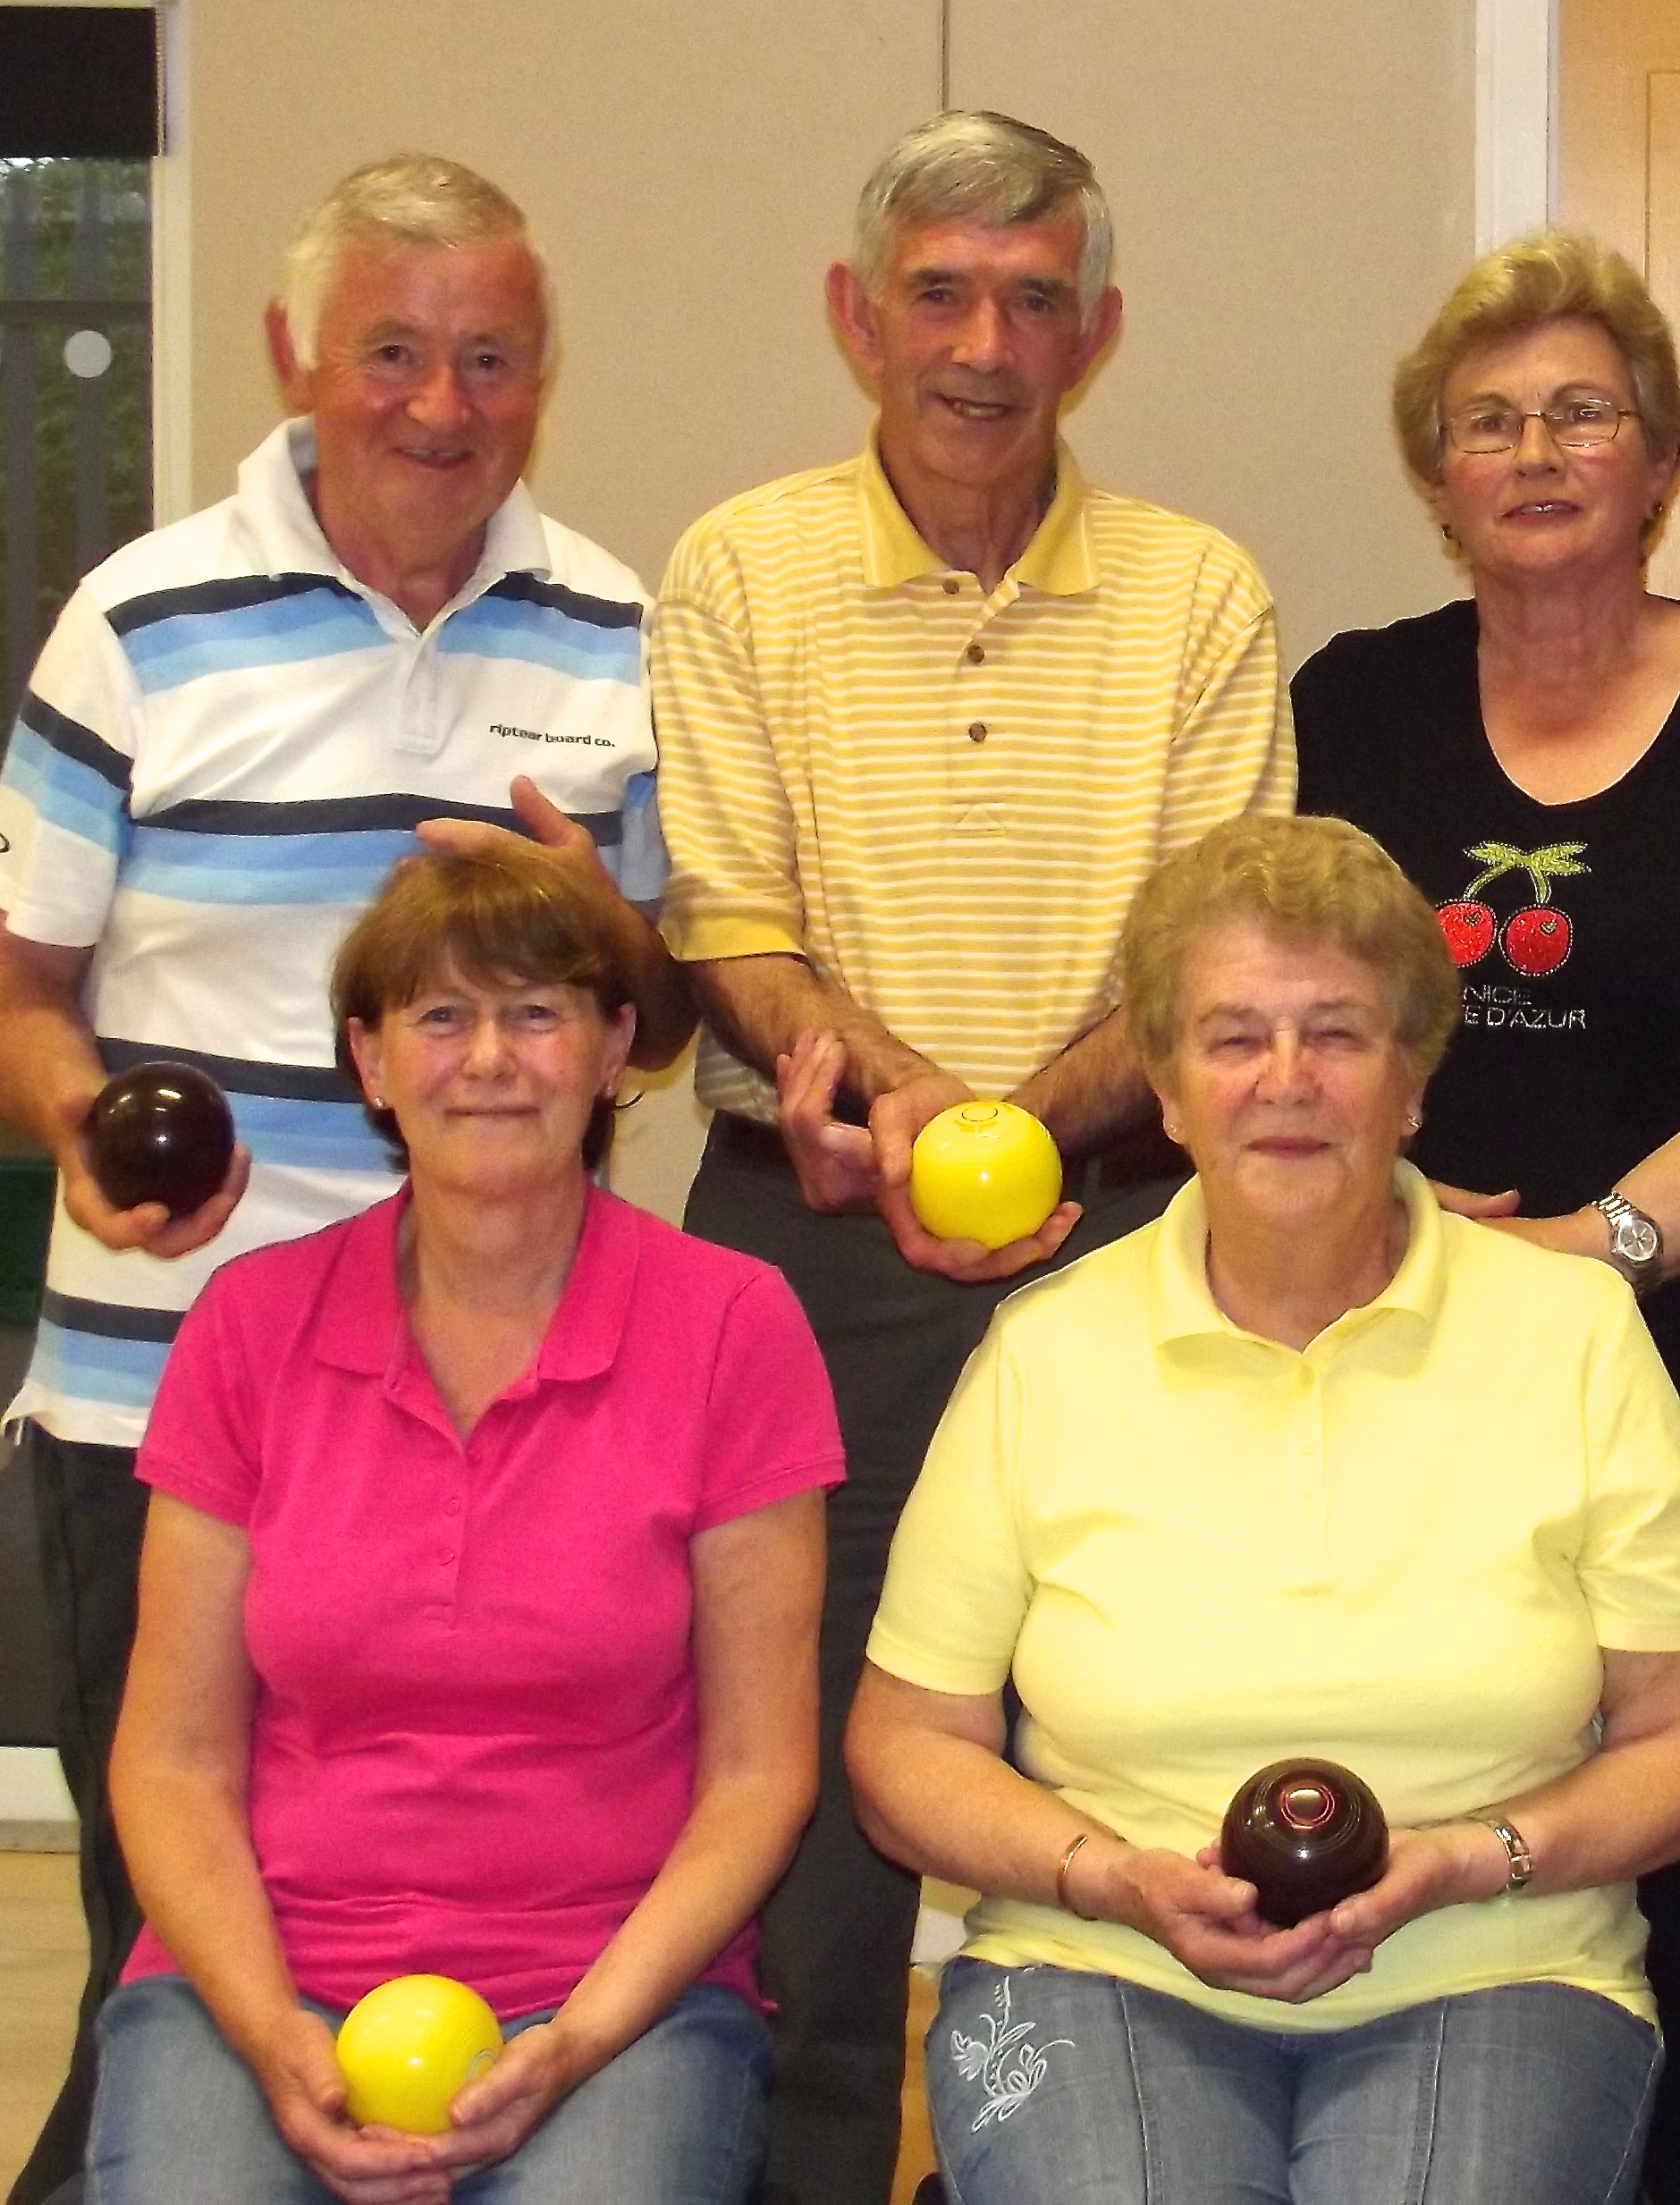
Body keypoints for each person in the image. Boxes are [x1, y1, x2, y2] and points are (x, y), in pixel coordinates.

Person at [0, 155, 688, 2204]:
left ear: (541, 372)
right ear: (300, 350)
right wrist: (75, 1136)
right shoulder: (137, 619)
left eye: (489, 356)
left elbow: (645, 1024)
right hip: (160, 1397)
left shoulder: (621, 633)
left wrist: (606, 932)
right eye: (392, 349)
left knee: (466, 1947)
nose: (440, 403)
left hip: (493, 1413)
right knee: (182, 1962)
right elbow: (23, 986)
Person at [646, 109, 1291, 2199]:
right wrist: (917, 1120)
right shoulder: (740, 568)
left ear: (1094, 331)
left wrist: (996, 1132)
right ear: (859, 315)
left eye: (1033, 297)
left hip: (1129, 1238)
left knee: (1137, 1728)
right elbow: (728, 913)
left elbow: (1211, 957)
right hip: (804, 1246)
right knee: (814, 1781)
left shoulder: (1199, 593)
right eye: (939, 290)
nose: (983, 343)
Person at [840, 812, 1680, 2201]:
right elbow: (907, 1746)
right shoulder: (1046, 1347)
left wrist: (1468, 1861)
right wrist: (1109, 1877)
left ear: (1414, 1080)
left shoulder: (1573, 1333)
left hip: (1498, 1964)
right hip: (1098, 1966)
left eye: (1336, 1033)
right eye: (1232, 1037)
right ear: (1163, 1086)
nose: (1286, 1081)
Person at [1290, 228, 1680, 2205]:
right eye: (1491, 422)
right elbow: (1273, 1007)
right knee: (1425, 1781)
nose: (1539, 450)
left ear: (1659, 461)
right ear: (1436, 477)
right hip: (1399, 1360)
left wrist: (1600, 1249)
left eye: (1584, 412)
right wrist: (1393, 1220)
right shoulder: (1353, 707)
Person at [83, 844, 834, 2201]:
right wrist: (270, 2035)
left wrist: (581, 2038)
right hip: (266, 1977)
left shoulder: (735, 1325)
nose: (490, 1055)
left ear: (616, 1051)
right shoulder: (249, 1326)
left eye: (537, 1012)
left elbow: (758, 1776)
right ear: (370, 1061)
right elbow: (173, 1764)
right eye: (440, 1015)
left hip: (615, 1996)